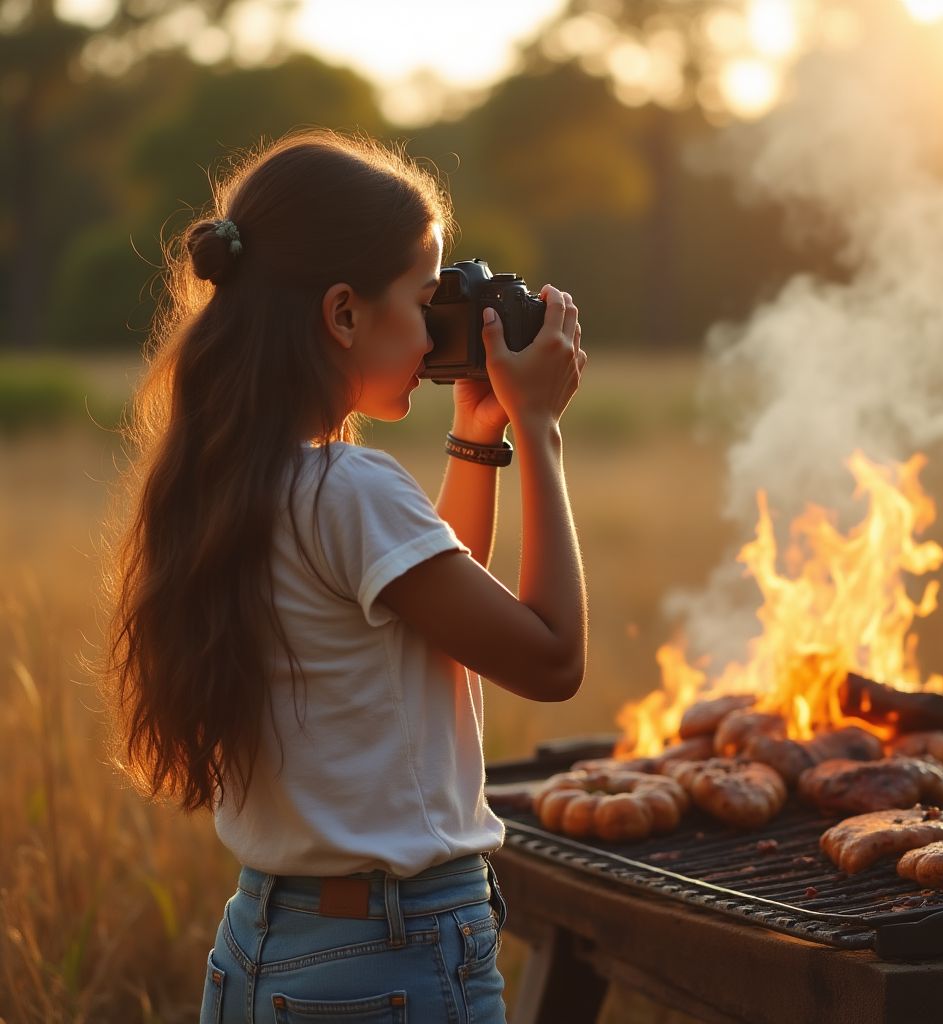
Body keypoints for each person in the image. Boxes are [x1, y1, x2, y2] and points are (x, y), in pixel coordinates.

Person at [98, 128, 588, 1024]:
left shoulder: (241, 477)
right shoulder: (346, 486)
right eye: (424, 299)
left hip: (266, 943)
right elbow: (552, 660)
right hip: (391, 958)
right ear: (344, 314)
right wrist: (542, 431)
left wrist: (481, 433)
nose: (437, 329)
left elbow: (439, 607)